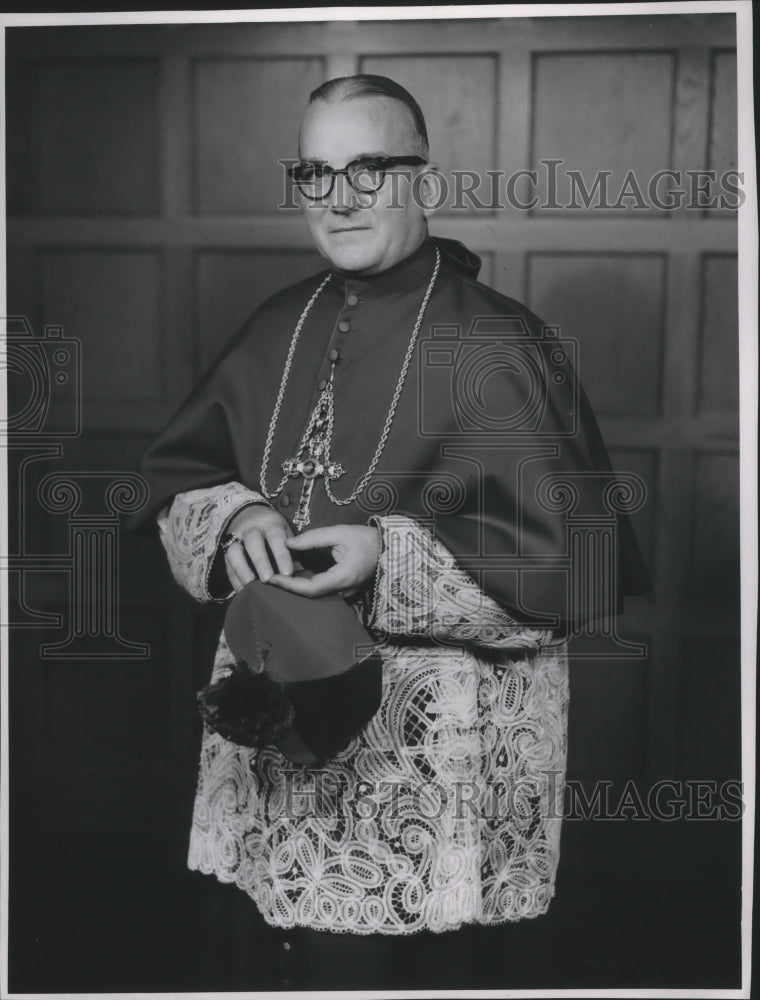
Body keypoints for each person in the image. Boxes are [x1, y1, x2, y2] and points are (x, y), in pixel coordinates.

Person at [133, 75, 649, 989]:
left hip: (425, 760)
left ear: (427, 181)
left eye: (369, 170)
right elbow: (177, 480)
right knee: (282, 959)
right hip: (278, 726)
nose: (338, 199)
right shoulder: (276, 324)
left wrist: (386, 552)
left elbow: (566, 574)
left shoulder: (500, 343)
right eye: (317, 173)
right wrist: (239, 513)